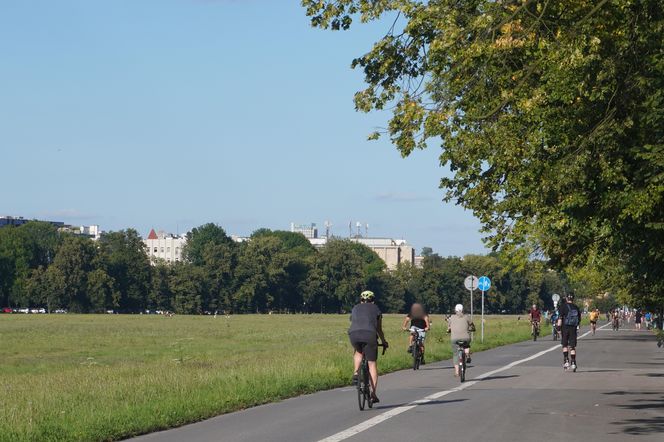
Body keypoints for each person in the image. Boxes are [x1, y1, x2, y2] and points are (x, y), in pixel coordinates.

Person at [348, 290, 388, 403]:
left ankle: (356, 372)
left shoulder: (355, 308)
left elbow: (353, 321)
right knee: (371, 363)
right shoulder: (376, 309)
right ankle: (373, 394)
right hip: (369, 334)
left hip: (353, 334)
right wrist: (384, 341)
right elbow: (379, 329)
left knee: (358, 351)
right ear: (373, 300)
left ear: (361, 300)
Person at [447, 304, 474, 377]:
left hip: (454, 339)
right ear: (463, 310)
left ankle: (456, 372)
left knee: (455, 354)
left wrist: (449, 330)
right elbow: (472, 325)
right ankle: (467, 354)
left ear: (455, 310)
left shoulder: (452, 317)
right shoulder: (466, 317)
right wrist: (472, 328)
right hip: (466, 338)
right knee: (467, 344)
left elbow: (449, 327)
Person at [557, 294, 581, 371]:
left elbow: (560, 318)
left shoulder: (562, 306)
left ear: (567, 298)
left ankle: (566, 361)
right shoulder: (576, 307)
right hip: (573, 329)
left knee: (565, 345)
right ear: (573, 299)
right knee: (572, 346)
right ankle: (573, 363)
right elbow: (579, 320)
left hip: (565, 328)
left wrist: (558, 328)